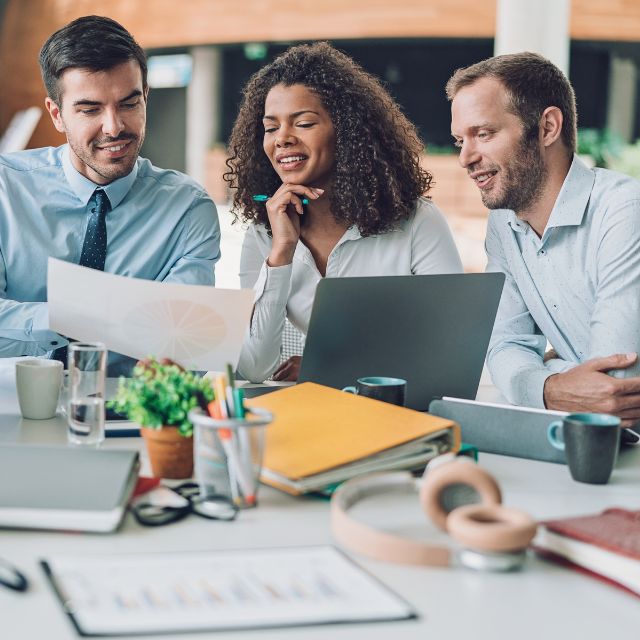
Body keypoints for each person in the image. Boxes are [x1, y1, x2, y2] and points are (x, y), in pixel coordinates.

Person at [226, 42, 463, 383]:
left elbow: (451, 348)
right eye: (271, 127)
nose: (282, 139)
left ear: (348, 131)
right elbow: (254, 366)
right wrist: (281, 254)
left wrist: (327, 370)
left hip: (398, 412)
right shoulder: (265, 236)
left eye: (304, 123)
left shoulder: (417, 223)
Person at [0, 15, 220, 373]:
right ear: (57, 114)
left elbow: (183, 344)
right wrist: (84, 315)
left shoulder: (187, 210)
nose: (114, 127)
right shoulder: (6, 189)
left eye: (129, 104)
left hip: (130, 411)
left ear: (146, 98)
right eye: (90, 109)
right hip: (14, 405)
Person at [447, 52, 640, 426]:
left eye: (483, 134)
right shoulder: (504, 225)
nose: (465, 158)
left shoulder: (624, 210)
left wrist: (545, 369)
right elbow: (504, 346)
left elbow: (614, 389)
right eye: (459, 141)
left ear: (548, 127)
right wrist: (552, 385)